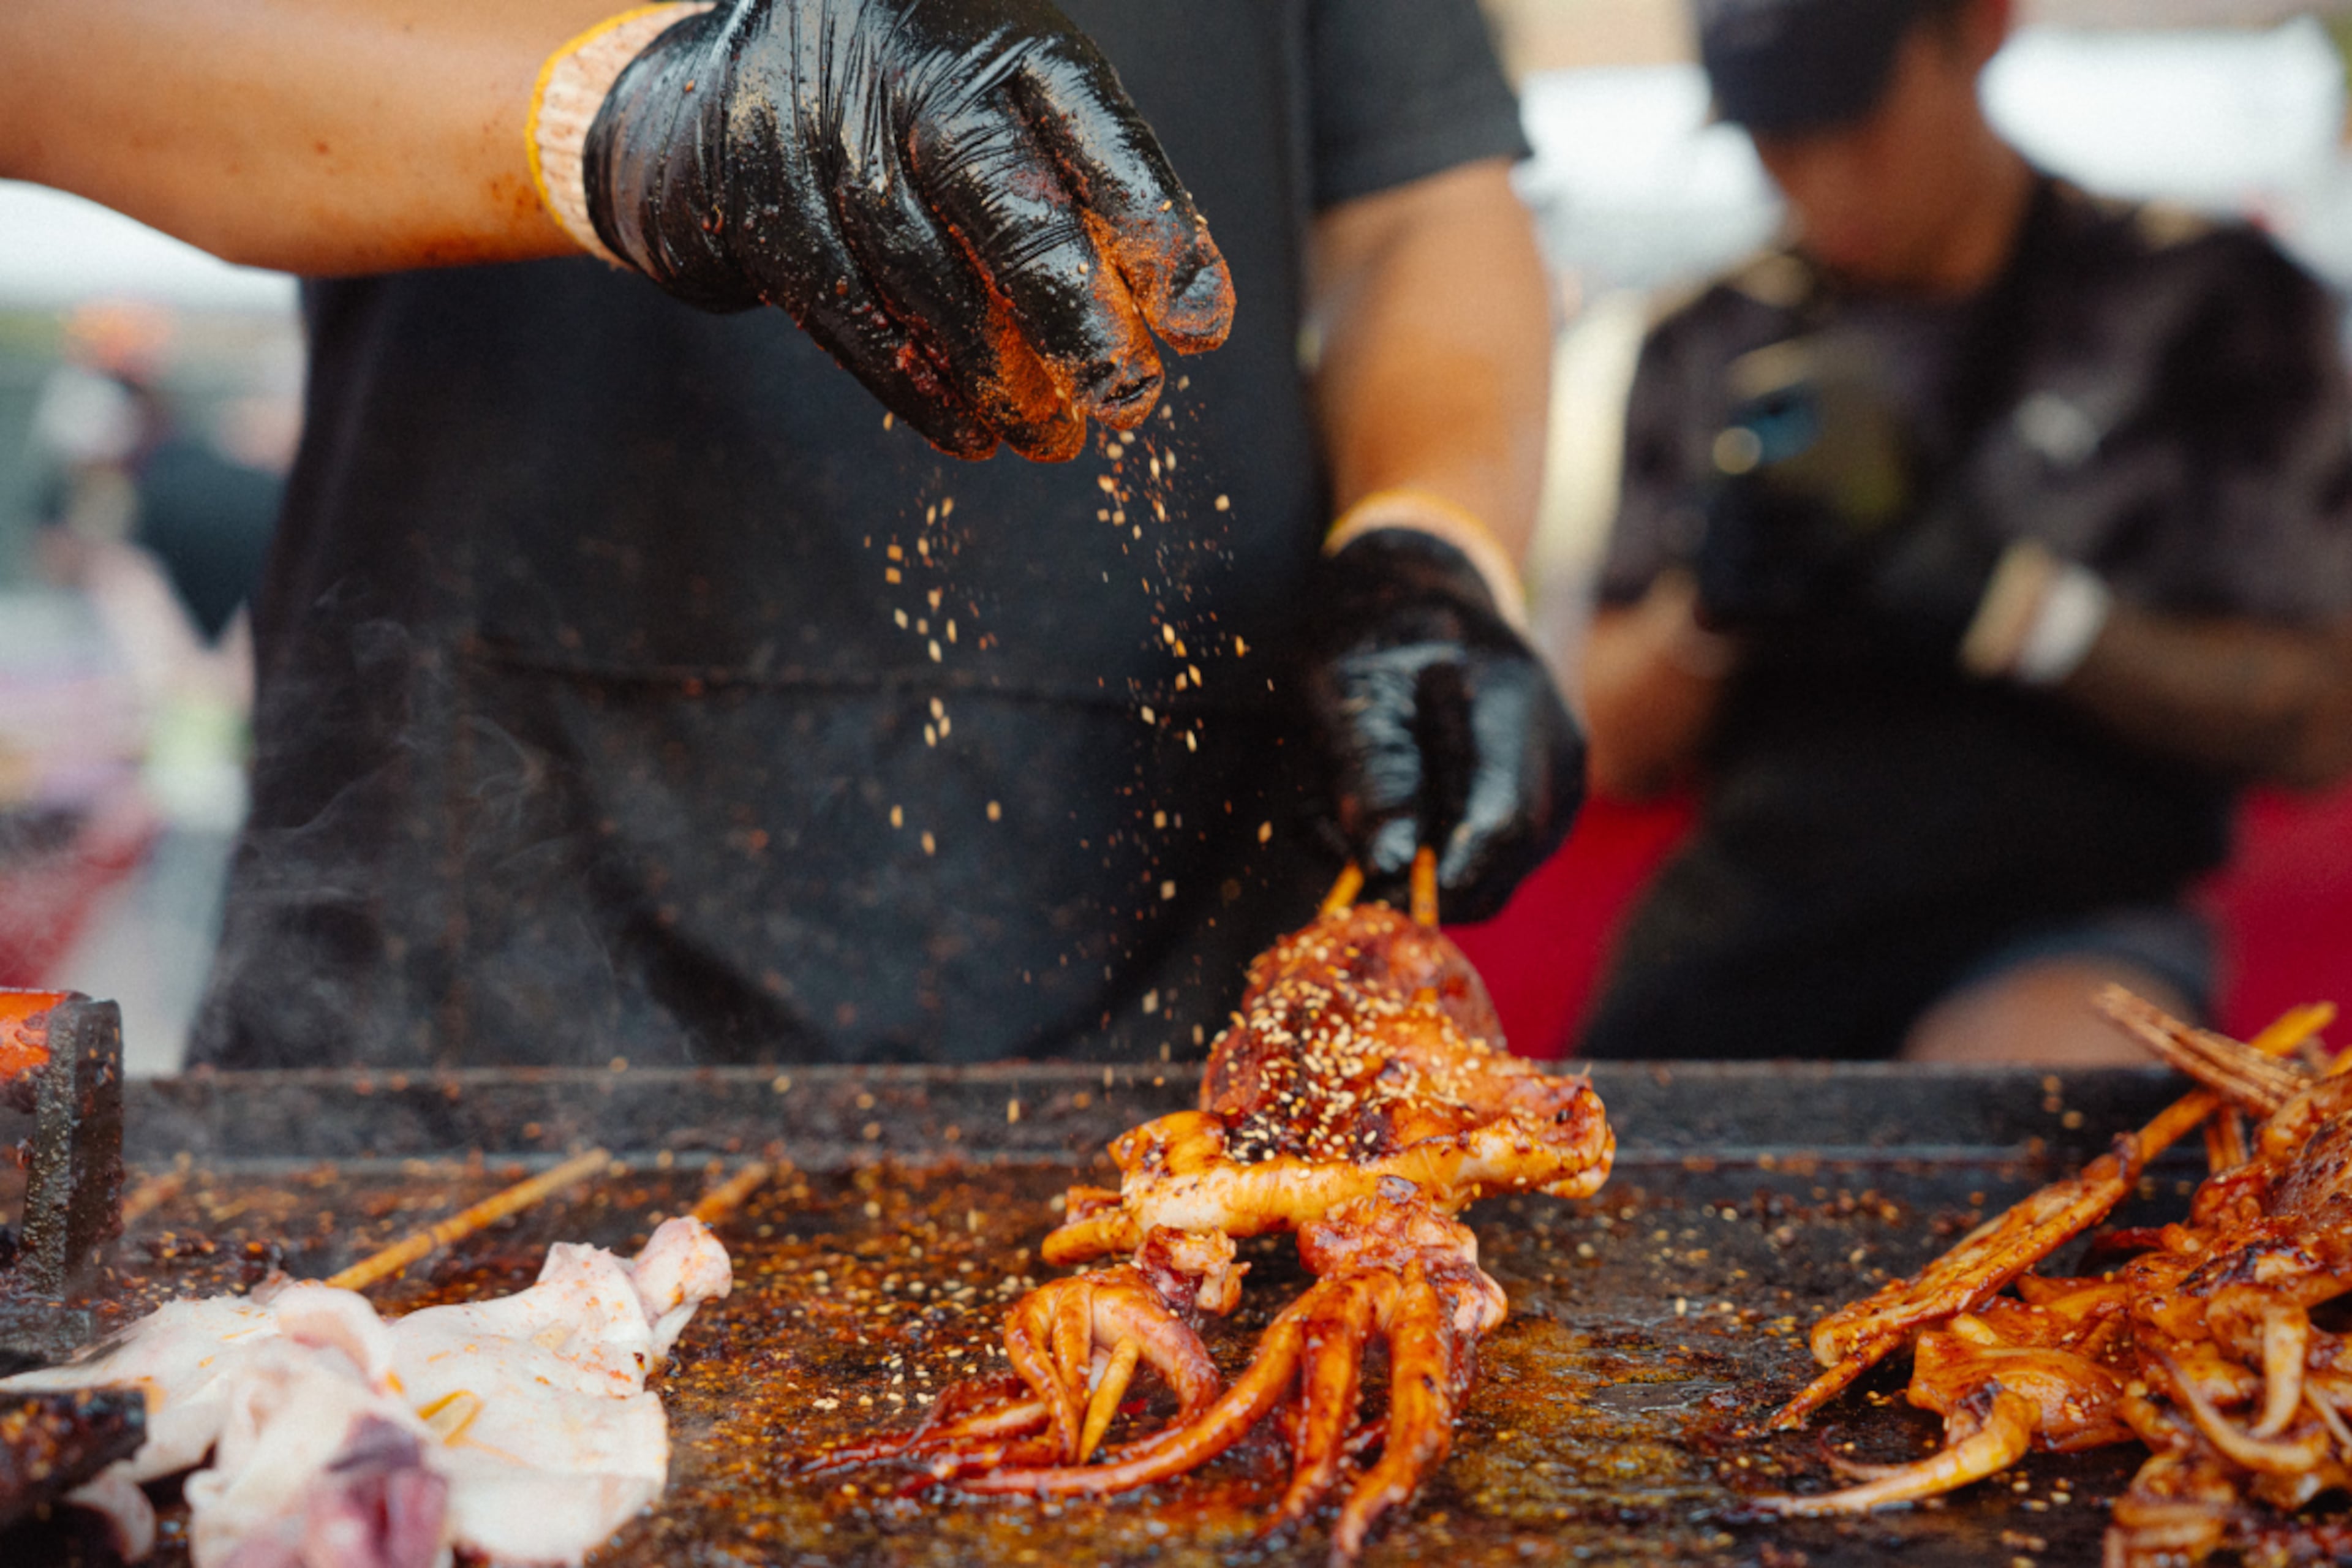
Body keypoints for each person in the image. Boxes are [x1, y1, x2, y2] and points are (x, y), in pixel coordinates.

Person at [0, 0, 1583, 1066]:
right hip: (474, 893)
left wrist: (1433, 537)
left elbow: (1423, 209)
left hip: (1186, 915)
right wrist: (615, 116)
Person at [1578, 0, 2352, 1066]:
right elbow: (1612, 743)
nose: (1821, 180)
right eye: (1776, 137)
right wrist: (1707, 611)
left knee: (2036, 1105)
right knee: (1606, 1181)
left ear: (1980, 28)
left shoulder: (2208, 306)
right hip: (1761, 914)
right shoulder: (1707, 340)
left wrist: (2017, 609)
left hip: (2061, 912)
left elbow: (2320, 721)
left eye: (1857, 120)